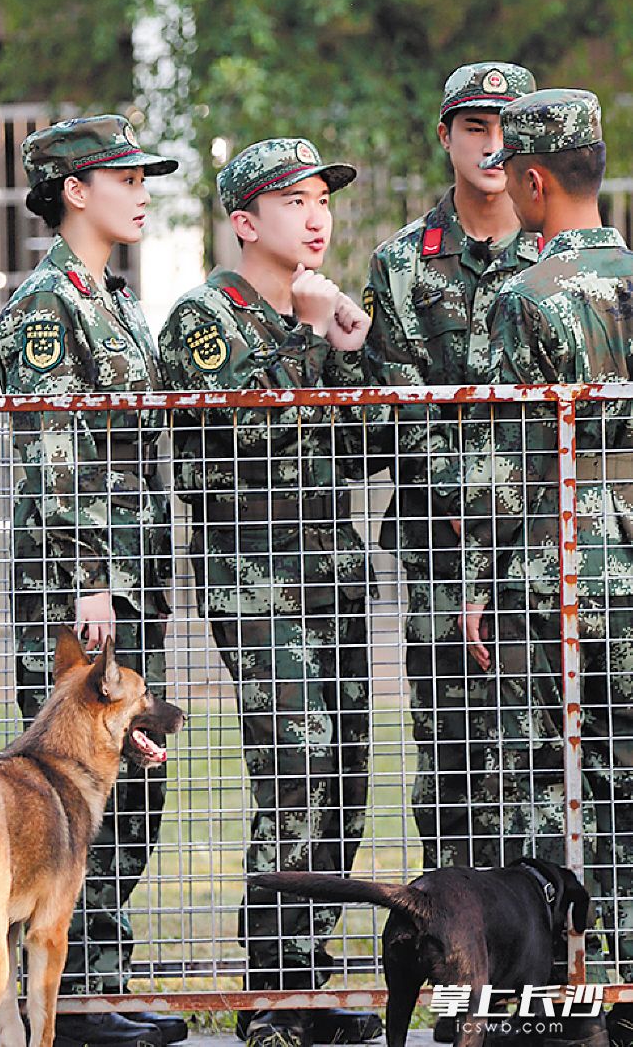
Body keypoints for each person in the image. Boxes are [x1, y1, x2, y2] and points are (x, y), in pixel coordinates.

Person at [158, 139, 383, 1047]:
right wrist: (309, 333)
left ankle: (311, 976)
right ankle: (273, 1000)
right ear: (246, 221)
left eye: (323, 197)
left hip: (335, 575)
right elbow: (242, 442)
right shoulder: (207, 316)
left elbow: (369, 449)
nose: (317, 215)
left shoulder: (322, 311)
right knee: (295, 777)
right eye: (294, 201)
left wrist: (349, 345)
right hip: (259, 586)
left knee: (349, 783)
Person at [0, 114, 187, 1047]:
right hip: (84, 592)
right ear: (75, 189)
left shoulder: (115, 301)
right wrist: (89, 580)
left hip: (132, 580)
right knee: (64, 788)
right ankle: (59, 1002)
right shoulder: (47, 306)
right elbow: (54, 457)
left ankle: (95, 978)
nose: (143, 190)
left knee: (127, 782)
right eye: (126, 176)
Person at [461, 89, 633, 1047]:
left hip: (552, 570)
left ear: (533, 179)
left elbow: (502, 456)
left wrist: (481, 580)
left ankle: (564, 1003)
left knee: (543, 784)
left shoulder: (523, 299)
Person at [362, 60, 540, 876]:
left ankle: (548, 954)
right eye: (474, 126)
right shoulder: (401, 265)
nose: (491, 144)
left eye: (505, 127)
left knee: (546, 745)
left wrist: (507, 507)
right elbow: (406, 409)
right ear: (446, 136)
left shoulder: (558, 258)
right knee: (451, 759)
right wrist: (474, 505)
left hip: (546, 536)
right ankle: (465, 960)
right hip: (439, 545)